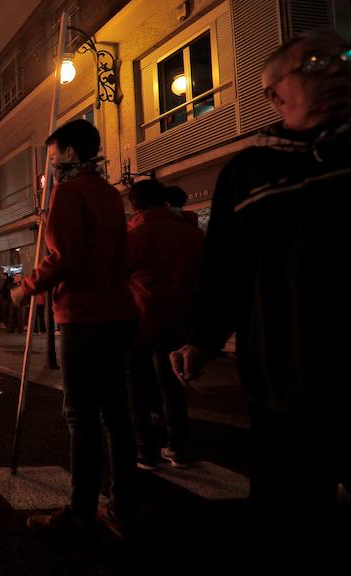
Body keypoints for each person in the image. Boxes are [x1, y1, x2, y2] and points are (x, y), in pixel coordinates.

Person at [170, 31, 351, 563]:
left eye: (342, 57)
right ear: (274, 93)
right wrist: (201, 340)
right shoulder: (250, 172)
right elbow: (225, 265)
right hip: (284, 369)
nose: (335, 69)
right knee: (288, 515)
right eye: (315, 63)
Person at [11, 119, 137, 539]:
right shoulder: (108, 193)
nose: (49, 164)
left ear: (69, 153)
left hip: (83, 318)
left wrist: (25, 288)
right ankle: (123, 508)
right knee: (118, 417)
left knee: (81, 416)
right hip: (119, 314)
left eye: (52, 155)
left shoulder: (70, 193)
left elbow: (65, 257)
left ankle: (82, 511)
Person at [125, 179, 204, 470]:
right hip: (182, 319)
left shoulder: (135, 237)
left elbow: (116, 276)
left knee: (136, 385)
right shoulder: (192, 234)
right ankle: (178, 447)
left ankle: (145, 449)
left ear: (134, 205)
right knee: (172, 383)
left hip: (142, 319)